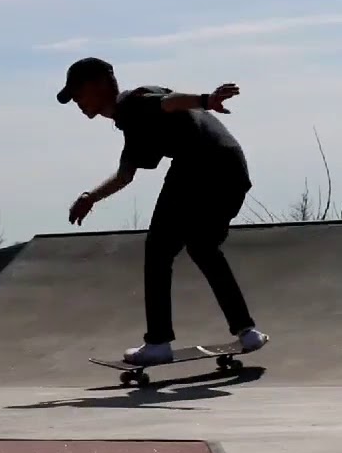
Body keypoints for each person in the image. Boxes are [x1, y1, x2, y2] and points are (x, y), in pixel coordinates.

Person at [57, 56, 268, 365]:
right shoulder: (131, 124)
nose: (76, 100)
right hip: (232, 167)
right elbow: (124, 175)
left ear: (100, 84)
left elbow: (169, 102)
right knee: (202, 247)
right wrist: (91, 197)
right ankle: (247, 331)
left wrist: (206, 99)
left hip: (199, 165)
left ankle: (158, 342)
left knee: (158, 249)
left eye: (78, 92)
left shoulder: (133, 103)